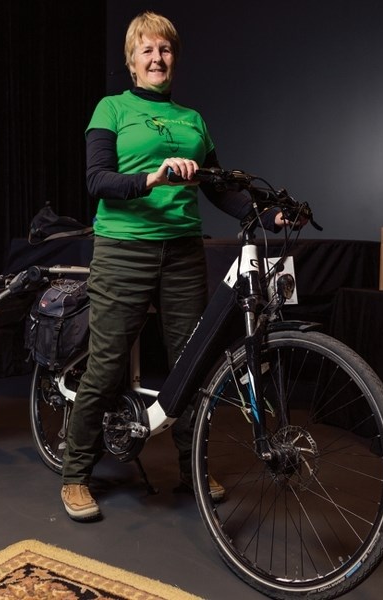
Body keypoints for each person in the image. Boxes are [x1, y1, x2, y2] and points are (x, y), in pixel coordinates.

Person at [60, 11, 292, 521]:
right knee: (107, 363)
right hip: (124, 247)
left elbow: (217, 187)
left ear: (174, 58)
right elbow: (98, 180)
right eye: (146, 50)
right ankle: (76, 473)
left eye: (164, 50)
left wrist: (267, 212)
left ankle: (191, 468)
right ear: (131, 60)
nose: (156, 58)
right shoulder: (111, 109)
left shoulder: (194, 119)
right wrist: (154, 177)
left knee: (194, 365)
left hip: (182, 251)